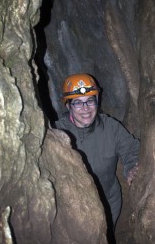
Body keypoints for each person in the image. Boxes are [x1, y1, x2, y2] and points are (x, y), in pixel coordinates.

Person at [54, 73, 140, 228]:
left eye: (90, 101)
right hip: (73, 208)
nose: (85, 109)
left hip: (109, 203)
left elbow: (131, 149)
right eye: (78, 103)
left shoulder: (110, 127)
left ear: (97, 101)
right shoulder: (57, 133)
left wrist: (131, 167)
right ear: (68, 106)